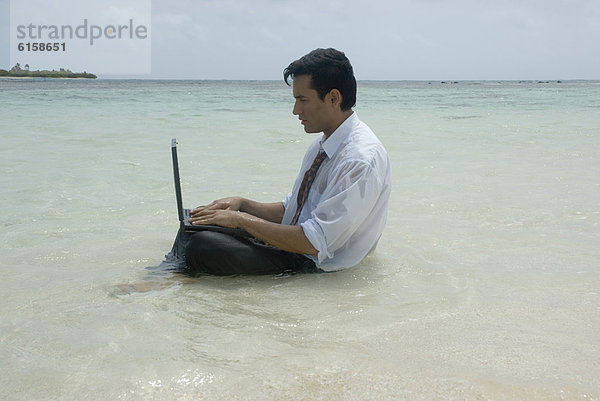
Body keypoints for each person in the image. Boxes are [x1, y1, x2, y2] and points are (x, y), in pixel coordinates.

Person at [178, 48, 391, 275]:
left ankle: (169, 281)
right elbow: (294, 209)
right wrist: (242, 204)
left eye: (302, 100)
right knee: (195, 227)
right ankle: (169, 277)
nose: (295, 110)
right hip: (294, 249)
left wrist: (240, 221)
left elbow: (314, 242)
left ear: (333, 98)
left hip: (313, 265)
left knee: (205, 246)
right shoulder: (323, 144)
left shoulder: (359, 160)